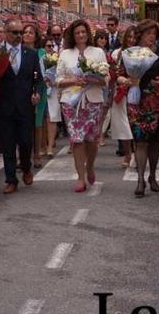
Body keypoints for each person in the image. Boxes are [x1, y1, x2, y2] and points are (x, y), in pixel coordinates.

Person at [117, 19, 159, 197]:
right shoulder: (129, 53)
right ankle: (140, 179)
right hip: (137, 102)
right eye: (148, 34)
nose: (152, 37)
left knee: (154, 142)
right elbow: (118, 75)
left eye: (154, 34)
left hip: (157, 101)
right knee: (140, 141)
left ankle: (152, 176)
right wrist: (128, 81)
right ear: (140, 35)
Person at [57, 20, 108, 192]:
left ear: (88, 34)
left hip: (93, 99)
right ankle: (80, 177)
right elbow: (58, 80)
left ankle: (90, 166)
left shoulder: (98, 52)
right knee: (77, 139)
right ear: (73, 35)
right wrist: (73, 80)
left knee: (91, 139)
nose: (80, 35)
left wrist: (95, 79)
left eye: (83, 32)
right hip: (71, 101)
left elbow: (105, 79)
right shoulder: (65, 54)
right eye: (77, 32)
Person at [0, 19, 43, 194]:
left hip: (25, 105)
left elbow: (37, 77)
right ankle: (11, 179)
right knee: (7, 144)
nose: (18, 36)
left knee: (25, 141)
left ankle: (26, 167)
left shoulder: (30, 53)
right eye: (14, 32)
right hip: (5, 105)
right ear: (6, 33)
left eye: (20, 33)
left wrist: (36, 92)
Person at [109, 26, 136, 167]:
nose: (131, 40)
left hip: (137, 92)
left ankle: (137, 154)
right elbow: (113, 73)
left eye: (134, 37)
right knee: (123, 125)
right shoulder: (117, 53)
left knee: (135, 124)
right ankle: (127, 154)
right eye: (129, 37)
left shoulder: (142, 53)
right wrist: (121, 79)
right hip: (121, 92)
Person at [23, 23, 48, 169]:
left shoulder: (41, 53)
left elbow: (44, 74)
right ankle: (23, 155)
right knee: (22, 124)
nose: (27, 34)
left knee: (37, 124)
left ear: (36, 36)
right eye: (25, 32)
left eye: (30, 32)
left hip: (38, 91)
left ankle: (37, 154)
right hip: (22, 91)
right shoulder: (17, 51)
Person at [44, 24, 65, 156]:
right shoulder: (44, 49)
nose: (56, 37)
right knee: (45, 118)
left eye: (58, 35)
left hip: (57, 86)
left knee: (52, 116)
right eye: (54, 35)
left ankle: (50, 146)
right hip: (45, 86)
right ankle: (45, 144)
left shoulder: (65, 48)